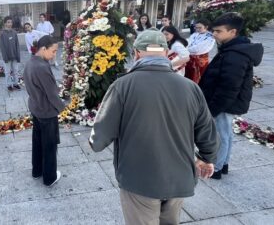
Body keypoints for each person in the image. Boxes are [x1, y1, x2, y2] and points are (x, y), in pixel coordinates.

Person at [89, 28, 219, 224]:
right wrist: (206, 158)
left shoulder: (122, 86)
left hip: (139, 179)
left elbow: (98, 139)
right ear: (166, 53)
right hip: (179, 177)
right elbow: (207, 132)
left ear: (136, 53)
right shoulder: (190, 87)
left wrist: (96, 139)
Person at [199, 12, 263, 180]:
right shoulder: (232, 49)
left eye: (218, 31)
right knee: (225, 133)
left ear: (233, 32)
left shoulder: (235, 54)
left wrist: (213, 109)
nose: (214, 34)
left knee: (220, 135)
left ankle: (217, 168)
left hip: (224, 103)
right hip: (226, 102)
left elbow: (229, 86)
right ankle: (223, 163)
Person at [23, 35, 65, 187]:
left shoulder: (30, 62)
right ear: (43, 48)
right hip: (47, 111)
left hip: (36, 108)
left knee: (38, 142)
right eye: (53, 51)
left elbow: (41, 87)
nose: (55, 55)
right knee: (49, 145)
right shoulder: (41, 67)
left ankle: (37, 171)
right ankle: (49, 178)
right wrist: (63, 109)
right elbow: (52, 95)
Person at [186, 19, 216, 84]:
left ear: (206, 27)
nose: (197, 29)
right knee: (188, 75)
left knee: (197, 78)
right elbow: (188, 42)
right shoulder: (195, 34)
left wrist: (186, 49)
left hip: (200, 60)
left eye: (200, 27)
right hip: (190, 58)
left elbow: (199, 49)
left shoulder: (210, 37)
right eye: (196, 27)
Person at [0, 16, 21, 91]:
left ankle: (15, 84)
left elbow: (17, 45)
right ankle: (9, 85)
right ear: (5, 23)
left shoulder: (14, 32)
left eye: (11, 22)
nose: (10, 24)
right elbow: (2, 47)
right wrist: (5, 57)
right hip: (7, 57)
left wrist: (18, 56)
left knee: (15, 70)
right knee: (7, 71)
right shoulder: (2, 34)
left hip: (14, 56)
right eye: (8, 22)